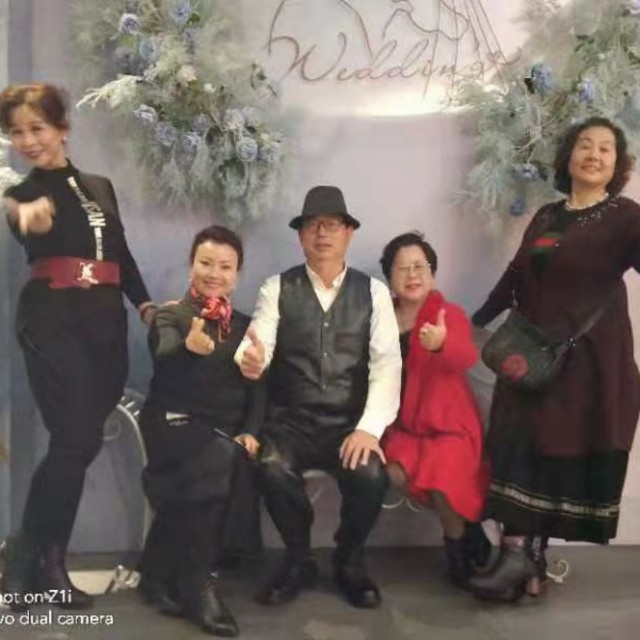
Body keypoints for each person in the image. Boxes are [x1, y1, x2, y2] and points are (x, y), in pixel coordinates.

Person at [469, 116, 640, 601]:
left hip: (587, 363)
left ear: (617, 164)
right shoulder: (547, 216)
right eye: (585, 144)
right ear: (568, 157)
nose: (593, 154)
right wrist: (475, 320)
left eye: (605, 148)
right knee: (522, 445)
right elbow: (516, 275)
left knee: (555, 449)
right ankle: (526, 564)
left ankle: (518, 556)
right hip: (531, 356)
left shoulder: (626, 217)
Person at [0, 84, 155, 612]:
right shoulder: (23, 194)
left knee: (78, 444)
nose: (27, 140)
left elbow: (121, 255)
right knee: (74, 439)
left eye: (37, 128)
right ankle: (48, 565)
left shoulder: (100, 187)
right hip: (51, 324)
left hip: (104, 327)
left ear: (62, 129)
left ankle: (22, 557)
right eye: (16, 132)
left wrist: (145, 305)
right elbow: (24, 222)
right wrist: (27, 219)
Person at [236, 185, 401, 609]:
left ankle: (349, 558)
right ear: (301, 236)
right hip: (291, 424)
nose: (322, 233)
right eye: (312, 225)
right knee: (270, 467)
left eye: (332, 225)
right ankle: (298, 558)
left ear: (348, 232)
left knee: (371, 475)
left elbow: (387, 364)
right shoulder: (277, 288)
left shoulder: (374, 293)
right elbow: (258, 342)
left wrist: (368, 429)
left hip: (348, 424)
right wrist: (251, 360)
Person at [137, 225, 265, 638]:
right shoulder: (171, 315)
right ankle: (199, 582)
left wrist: (251, 430)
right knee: (219, 456)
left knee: (230, 453)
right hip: (172, 423)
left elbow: (258, 390)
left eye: (225, 266)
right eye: (206, 263)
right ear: (191, 266)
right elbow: (164, 354)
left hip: (222, 432)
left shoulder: (245, 326)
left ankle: (157, 573)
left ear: (237, 275)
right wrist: (188, 349)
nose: (215, 273)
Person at [378, 232, 490, 588]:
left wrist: (442, 344)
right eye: (402, 268)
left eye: (420, 267)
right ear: (390, 278)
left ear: (432, 273)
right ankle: (469, 528)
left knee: (442, 478)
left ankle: (457, 553)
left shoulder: (447, 314)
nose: (412, 275)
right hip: (404, 428)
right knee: (392, 472)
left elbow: (466, 356)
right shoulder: (380, 318)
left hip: (450, 426)